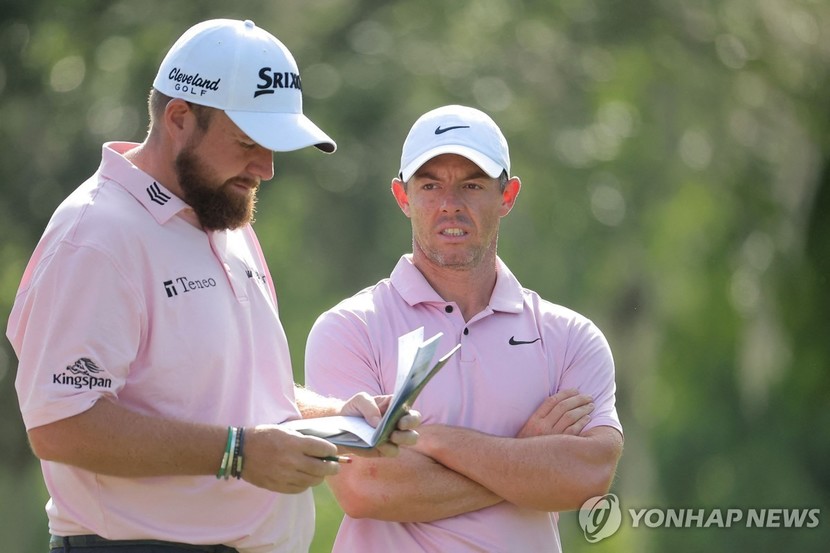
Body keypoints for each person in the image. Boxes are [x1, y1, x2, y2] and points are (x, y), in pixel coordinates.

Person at [6, 19, 419, 553]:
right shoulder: (96, 236)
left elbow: (230, 391)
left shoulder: (223, 217)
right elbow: (60, 424)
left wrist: (337, 416)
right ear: (180, 118)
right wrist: (237, 453)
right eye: (248, 142)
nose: (266, 168)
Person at [304, 104, 624, 552]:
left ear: (507, 196)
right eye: (430, 185)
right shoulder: (350, 328)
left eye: (472, 185)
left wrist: (428, 440)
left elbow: (588, 476)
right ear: (402, 197)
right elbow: (367, 487)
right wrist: (524, 453)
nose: (450, 204)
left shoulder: (570, 337)